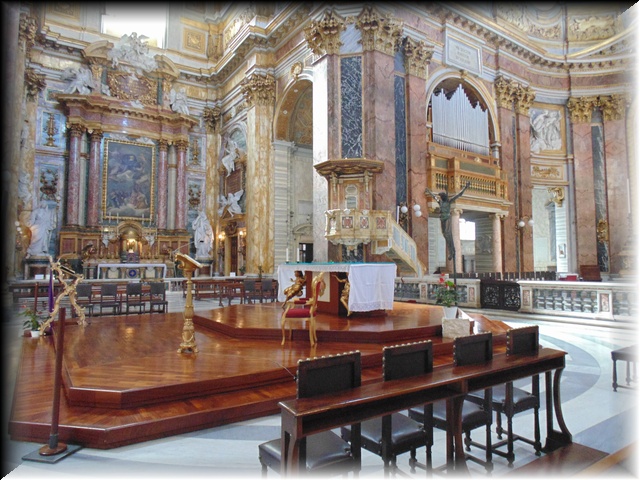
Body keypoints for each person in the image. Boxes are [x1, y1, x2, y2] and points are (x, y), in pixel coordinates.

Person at [425, 181, 470, 261]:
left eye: (441, 197)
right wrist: (429, 191)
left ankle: (452, 251)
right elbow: (434, 197)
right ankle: (451, 250)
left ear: (444, 197)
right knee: (445, 235)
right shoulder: (440, 202)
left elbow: (459, 195)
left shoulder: (449, 201)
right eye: (440, 197)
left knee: (447, 234)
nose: (440, 198)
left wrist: (465, 187)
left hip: (447, 219)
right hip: (442, 219)